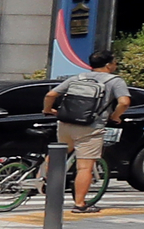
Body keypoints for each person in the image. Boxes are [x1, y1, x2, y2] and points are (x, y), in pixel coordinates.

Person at [48, 44, 131, 214]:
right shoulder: (115, 81)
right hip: (90, 127)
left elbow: (51, 95)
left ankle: (42, 180)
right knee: (84, 167)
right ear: (108, 65)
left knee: (59, 153)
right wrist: (115, 116)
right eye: (114, 63)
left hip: (65, 123)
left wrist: (48, 110)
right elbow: (124, 102)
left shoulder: (78, 77)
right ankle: (80, 204)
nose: (115, 65)